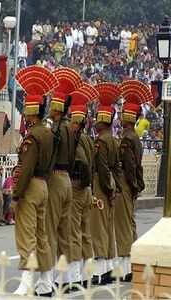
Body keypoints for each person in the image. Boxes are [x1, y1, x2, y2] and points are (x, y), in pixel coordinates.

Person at [11, 65, 57, 296]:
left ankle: (27, 282)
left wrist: (16, 194)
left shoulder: (33, 136)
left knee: (27, 234)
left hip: (30, 187)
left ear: (31, 111)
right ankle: (46, 282)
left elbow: (25, 167)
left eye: (26, 110)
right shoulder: (49, 133)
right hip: (44, 185)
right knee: (42, 234)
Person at [47, 67, 80, 286]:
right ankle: (66, 277)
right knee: (65, 230)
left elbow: (50, 155)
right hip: (68, 178)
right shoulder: (72, 128)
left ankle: (48, 277)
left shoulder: (57, 129)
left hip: (56, 178)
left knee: (51, 229)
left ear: (58, 106)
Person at [90, 83, 123, 285]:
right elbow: (117, 167)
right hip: (111, 184)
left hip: (102, 186)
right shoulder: (114, 140)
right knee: (108, 228)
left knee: (99, 228)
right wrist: (116, 187)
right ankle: (110, 269)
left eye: (96, 119)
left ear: (103, 120)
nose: (94, 122)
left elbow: (101, 168)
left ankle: (100, 272)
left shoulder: (101, 142)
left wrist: (108, 189)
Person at [116, 80, 147, 281]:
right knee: (130, 224)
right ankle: (132, 264)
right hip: (132, 185)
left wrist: (131, 186)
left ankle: (127, 267)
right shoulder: (134, 137)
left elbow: (129, 166)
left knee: (124, 226)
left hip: (126, 185)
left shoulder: (127, 138)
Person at [68, 86, 96, 286]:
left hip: (78, 186)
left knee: (74, 232)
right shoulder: (88, 138)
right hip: (87, 189)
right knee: (86, 232)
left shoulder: (77, 140)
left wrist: (83, 183)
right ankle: (89, 271)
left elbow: (85, 164)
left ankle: (77, 274)